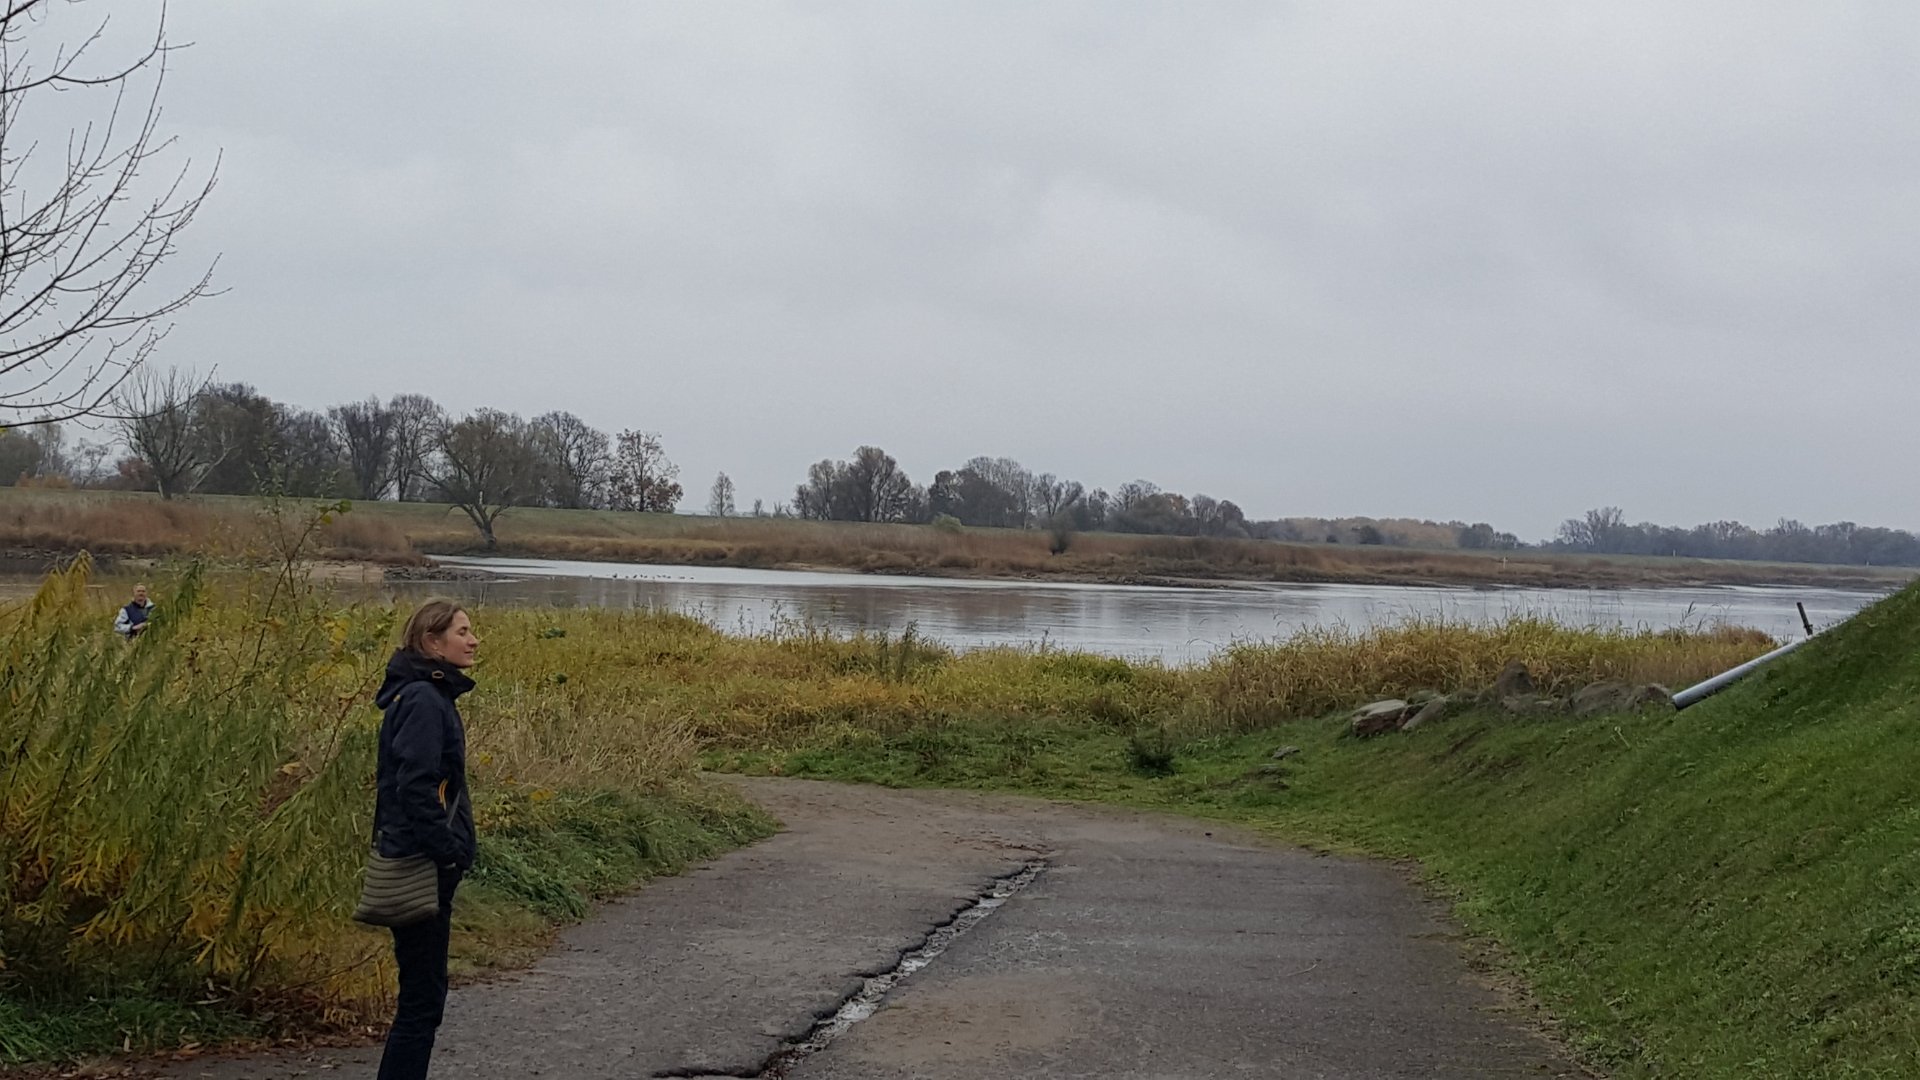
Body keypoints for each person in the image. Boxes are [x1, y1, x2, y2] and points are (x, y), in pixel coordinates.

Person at [372, 599, 481, 1080]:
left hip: (421, 859)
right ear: (432, 642)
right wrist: (447, 853)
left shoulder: (426, 695)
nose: (473, 640)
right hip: (419, 865)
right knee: (421, 1001)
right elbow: (414, 787)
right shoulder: (423, 700)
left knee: (422, 997)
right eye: (462, 632)